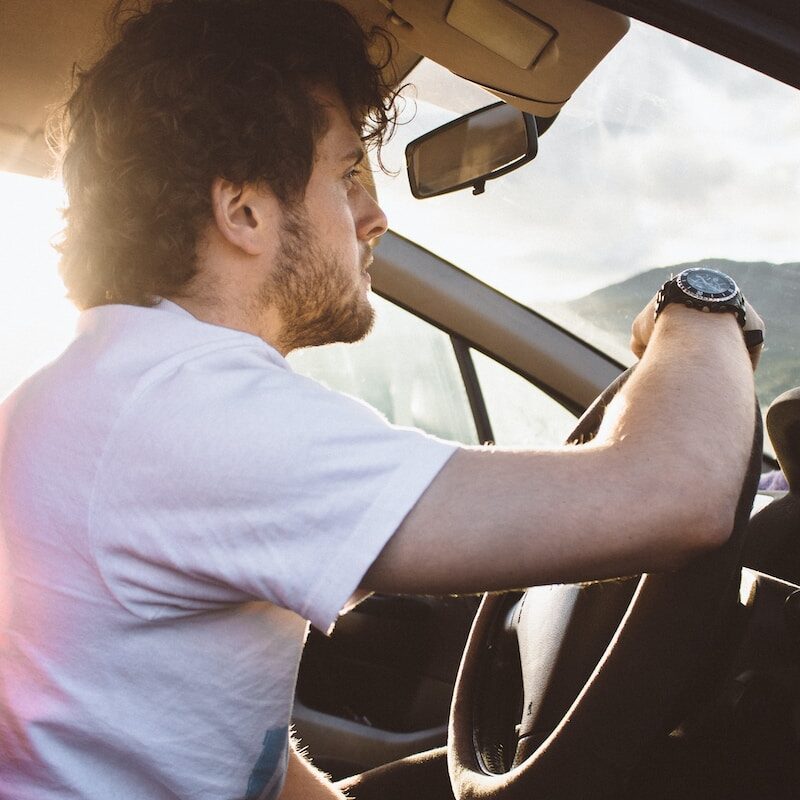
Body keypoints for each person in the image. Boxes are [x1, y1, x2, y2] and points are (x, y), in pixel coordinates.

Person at [0, 0, 764, 798]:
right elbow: (675, 495)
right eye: (345, 174)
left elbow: (221, 740)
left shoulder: (117, 388)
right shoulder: (188, 410)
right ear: (244, 211)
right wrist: (702, 308)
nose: (374, 216)